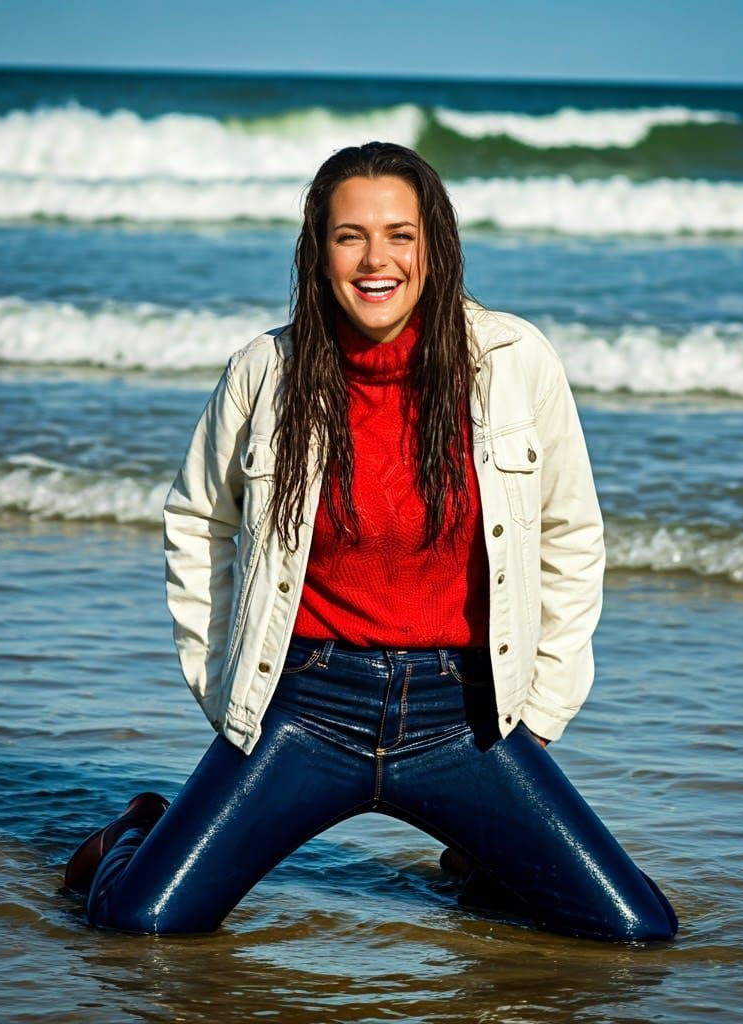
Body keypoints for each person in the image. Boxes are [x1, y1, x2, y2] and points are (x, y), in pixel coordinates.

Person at [63, 142, 678, 943]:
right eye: (350, 235)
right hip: (306, 709)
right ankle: (132, 835)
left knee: (637, 932)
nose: (375, 258)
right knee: (138, 925)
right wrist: (221, 686)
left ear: (435, 247)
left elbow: (571, 534)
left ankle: (484, 858)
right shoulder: (265, 372)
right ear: (319, 252)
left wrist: (542, 708)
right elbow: (198, 518)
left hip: (462, 718)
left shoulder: (513, 363)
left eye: (400, 234)